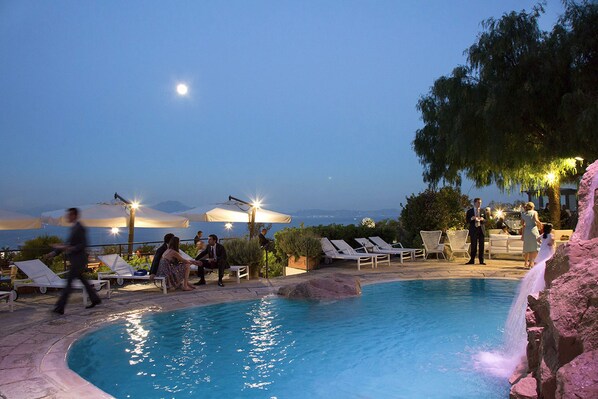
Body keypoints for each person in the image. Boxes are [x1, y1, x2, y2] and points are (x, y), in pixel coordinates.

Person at [46, 208, 101, 315]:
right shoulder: (74, 228)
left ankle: (60, 308)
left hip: (78, 261)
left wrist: (72, 248)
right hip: (77, 261)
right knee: (83, 281)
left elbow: (83, 244)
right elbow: (67, 244)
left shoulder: (80, 228)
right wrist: (53, 253)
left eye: (69, 215)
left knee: (68, 284)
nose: (67, 217)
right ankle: (95, 299)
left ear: (75, 215)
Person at [465, 198, 487, 265]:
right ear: (474, 203)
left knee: (481, 245)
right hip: (474, 229)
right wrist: (472, 218)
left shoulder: (483, 211)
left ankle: (481, 260)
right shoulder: (470, 211)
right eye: (478, 202)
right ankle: (472, 260)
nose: (479, 204)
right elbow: (467, 220)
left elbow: (486, 220)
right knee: (473, 245)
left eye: (480, 203)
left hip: (481, 229)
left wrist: (482, 219)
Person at [521, 202, 541, 269]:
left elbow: (522, 224)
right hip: (533, 230)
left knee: (528, 247)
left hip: (527, 231)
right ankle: (532, 263)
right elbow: (536, 220)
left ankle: (527, 262)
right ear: (533, 206)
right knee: (535, 247)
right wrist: (540, 224)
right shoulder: (534, 212)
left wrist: (523, 234)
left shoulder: (523, 214)